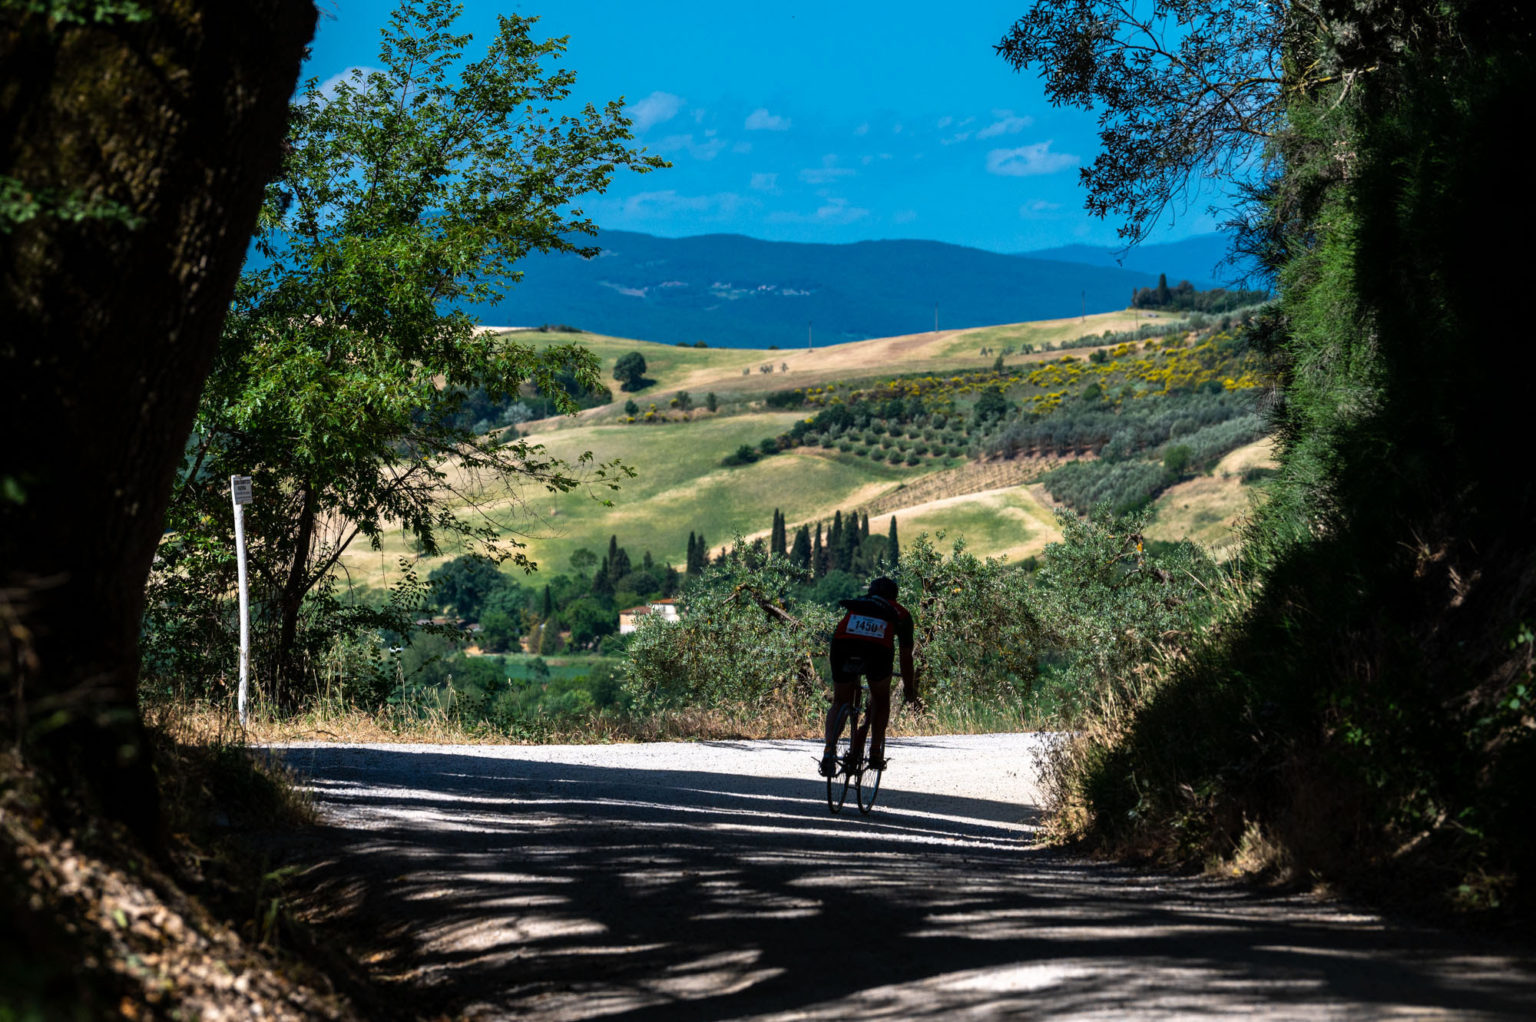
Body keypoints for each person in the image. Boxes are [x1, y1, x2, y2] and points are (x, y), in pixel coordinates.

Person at [820, 575, 919, 776]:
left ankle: (829, 751)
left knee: (840, 701)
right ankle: (875, 752)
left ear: (871, 592)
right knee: (881, 699)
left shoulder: (859, 603)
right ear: (895, 596)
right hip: (878, 651)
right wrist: (909, 688)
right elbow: (906, 657)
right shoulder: (901, 613)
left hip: (842, 645)